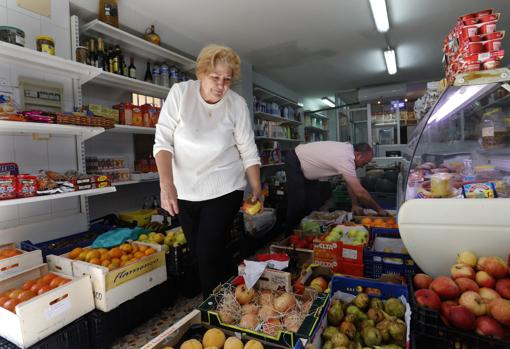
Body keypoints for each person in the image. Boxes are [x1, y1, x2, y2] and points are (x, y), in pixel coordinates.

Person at [153, 44, 261, 297]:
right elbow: (163, 141)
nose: (221, 85)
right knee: (204, 251)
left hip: (225, 186)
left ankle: (213, 315)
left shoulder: (237, 104)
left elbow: (248, 149)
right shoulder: (180, 93)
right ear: (201, 73)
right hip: (185, 189)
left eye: (227, 80)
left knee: (208, 252)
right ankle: (235, 294)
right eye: (215, 77)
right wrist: (166, 185)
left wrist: (256, 186)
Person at [284, 141, 388, 234]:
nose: (363, 166)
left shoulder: (349, 152)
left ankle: (309, 234)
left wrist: (355, 204)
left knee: (313, 204)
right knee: (298, 203)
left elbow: (349, 183)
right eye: (364, 162)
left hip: (308, 170)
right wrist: (379, 210)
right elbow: (359, 192)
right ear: (358, 154)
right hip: (295, 161)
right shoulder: (345, 158)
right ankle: (288, 237)